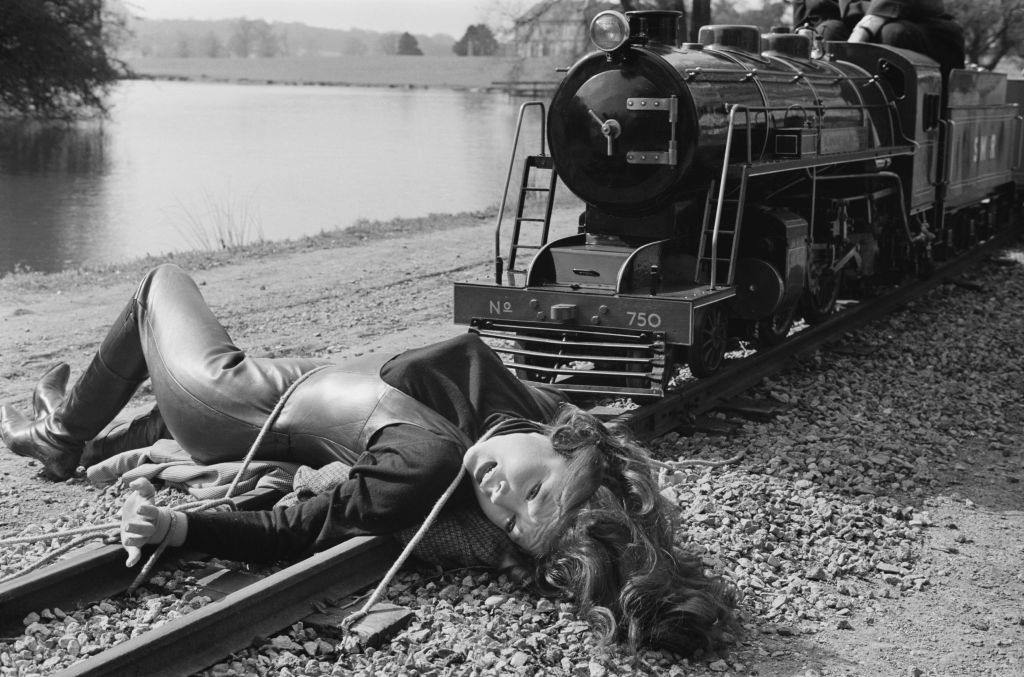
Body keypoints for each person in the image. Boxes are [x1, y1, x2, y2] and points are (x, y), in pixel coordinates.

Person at [0, 263, 736, 655]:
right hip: (308, 374)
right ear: (574, 443)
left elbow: (296, 528)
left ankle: (61, 434)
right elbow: (623, 521)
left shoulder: (428, 464)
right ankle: (82, 425)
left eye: (510, 521)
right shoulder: (540, 413)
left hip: (236, 404)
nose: (496, 495)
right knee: (159, 366)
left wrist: (178, 530)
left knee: (159, 285)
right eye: (532, 487)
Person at [791, 0, 965, 75]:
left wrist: (866, 26)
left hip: (920, 22)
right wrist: (805, 29)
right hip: (856, 23)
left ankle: (901, 125)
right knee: (828, 31)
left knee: (892, 33)